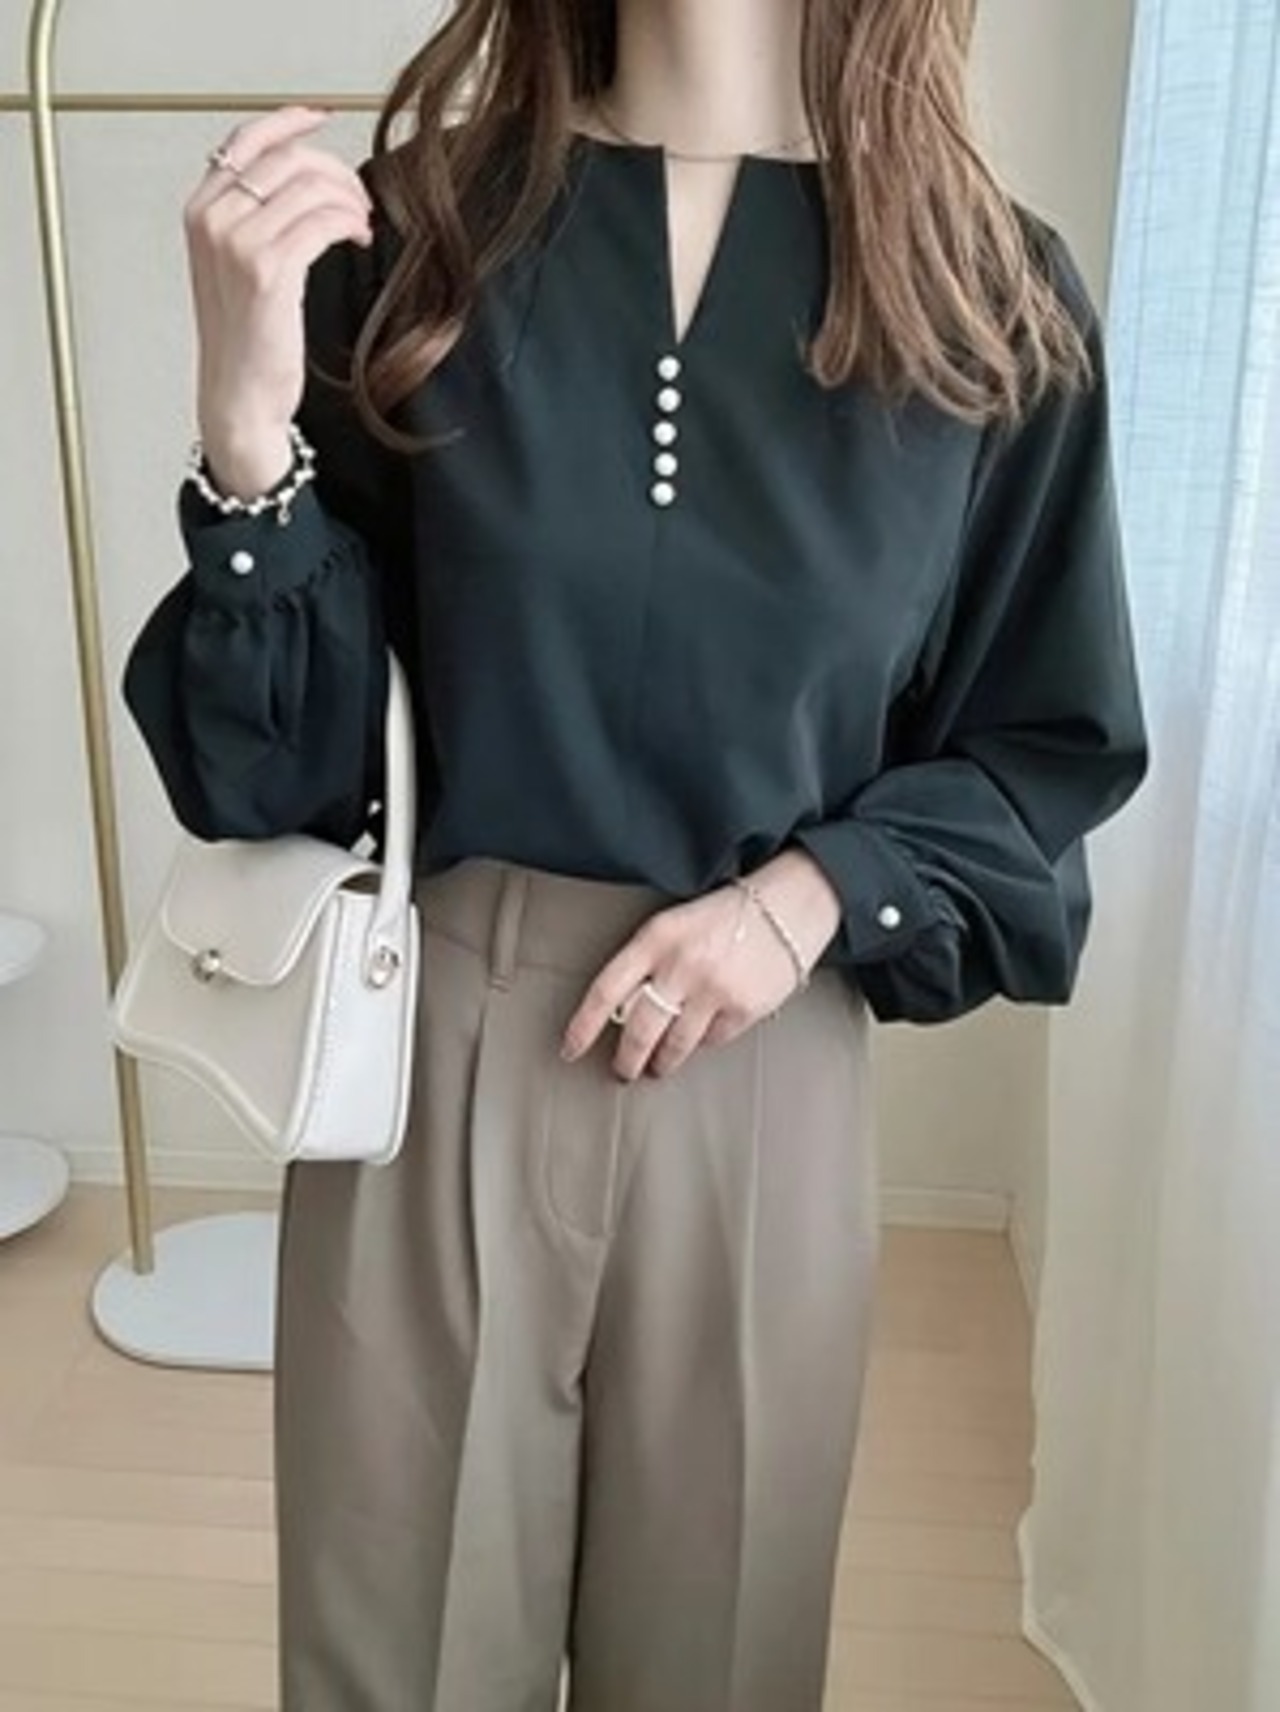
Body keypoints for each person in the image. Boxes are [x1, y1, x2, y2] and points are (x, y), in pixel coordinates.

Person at [119, 1, 1149, 1707]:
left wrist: (803, 903)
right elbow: (272, 771)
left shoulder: (988, 295)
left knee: (719, 1660)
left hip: (769, 1060)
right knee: (400, 1663)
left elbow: (1048, 746)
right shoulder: (414, 236)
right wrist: (244, 438)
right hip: (438, 1044)